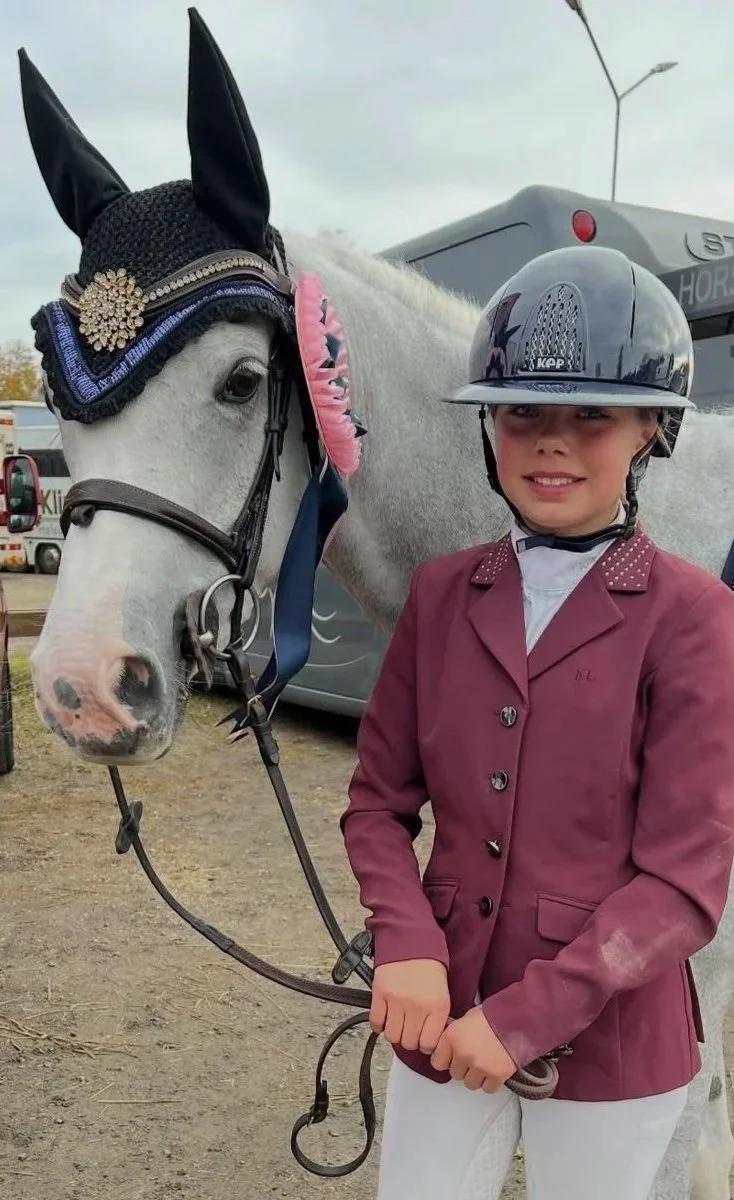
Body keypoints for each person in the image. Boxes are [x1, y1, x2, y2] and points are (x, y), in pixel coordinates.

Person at [340, 244, 734, 1200]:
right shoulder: (440, 596)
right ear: (491, 428)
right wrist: (405, 943)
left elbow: (685, 882)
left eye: (592, 413)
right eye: (523, 413)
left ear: (650, 430)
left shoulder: (693, 615)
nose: (552, 441)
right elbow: (377, 806)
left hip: (612, 1041)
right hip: (442, 1013)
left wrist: (523, 1021)